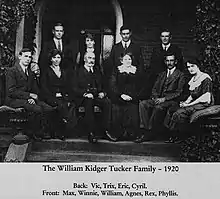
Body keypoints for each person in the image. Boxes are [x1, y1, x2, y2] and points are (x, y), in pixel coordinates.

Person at [5, 48, 55, 140]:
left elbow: (35, 91)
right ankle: (34, 133)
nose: (28, 59)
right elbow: (11, 91)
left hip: (27, 99)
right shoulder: (11, 71)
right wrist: (28, 96)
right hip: (14, 100)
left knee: (48, 108)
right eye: (26, 56)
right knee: (37, 108)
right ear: (20, 57)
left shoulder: (31, 73)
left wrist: (33, 97)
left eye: (30, 57)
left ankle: (44, 131)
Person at [136, 53, 185, 143]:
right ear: (165, 62)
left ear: (176, 62)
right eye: (167, 61)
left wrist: (164, 99)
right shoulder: (162, 74)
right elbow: (154, 88)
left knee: (158, 108)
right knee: (143, 104)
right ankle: (144, 129)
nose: (169, 63)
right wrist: (155, 97)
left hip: (171, 101)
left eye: (171, 60)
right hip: (158, 99)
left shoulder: (180, 75)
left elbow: (179, 92)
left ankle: (150, 132)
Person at [164, 58, 214, 143]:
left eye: (192, 66)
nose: (190, 69)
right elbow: (192, 94)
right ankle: (171, 134)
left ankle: (180, 136)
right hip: (196, 102)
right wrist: (186, 102)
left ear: (198, 66)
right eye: (188, 67)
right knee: (172, 109)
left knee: (180, 112)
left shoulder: (205, 78)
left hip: (204, 103)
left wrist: (188, 105)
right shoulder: (193, 79)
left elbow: (206, 97)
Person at [72, 52, 111, 143]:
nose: (91, 61)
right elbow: (74, 88)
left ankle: (105, 130)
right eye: (89, 58)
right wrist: (85, 93)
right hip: (82, 98)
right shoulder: (78, 71)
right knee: (89, 102)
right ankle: (91, 132)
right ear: (84, 59)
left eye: (93, 58)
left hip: (96, 96)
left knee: (107, 102)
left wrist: (103, 93)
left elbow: (103, 85)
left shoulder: (97, 71)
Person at [40, 49, 76, 139]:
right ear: (51, 59)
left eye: (58, 57)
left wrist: (65, 95)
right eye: (54, 57)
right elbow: (44, 87)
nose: (56, 60)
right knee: (60, 105)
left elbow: (68, 86)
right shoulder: (46, 71)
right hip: (50, 96)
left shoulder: (64, 71)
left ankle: (67, 128)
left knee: (71, 105)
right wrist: (53, 96)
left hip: (62, 96)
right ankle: (59, 132)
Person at [109, 52, 141, 141]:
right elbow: (112, 85)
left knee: (133, 109)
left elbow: (140, 85)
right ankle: (117, 134)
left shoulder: (136, 71)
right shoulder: (117, 70)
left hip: (132, 97)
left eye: (129, 59)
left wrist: (134, 96)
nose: (128, 61)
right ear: (121, 61)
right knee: (117, 108)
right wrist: (121, 95)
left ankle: (132, 134)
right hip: (119, 96)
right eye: (125, 59)